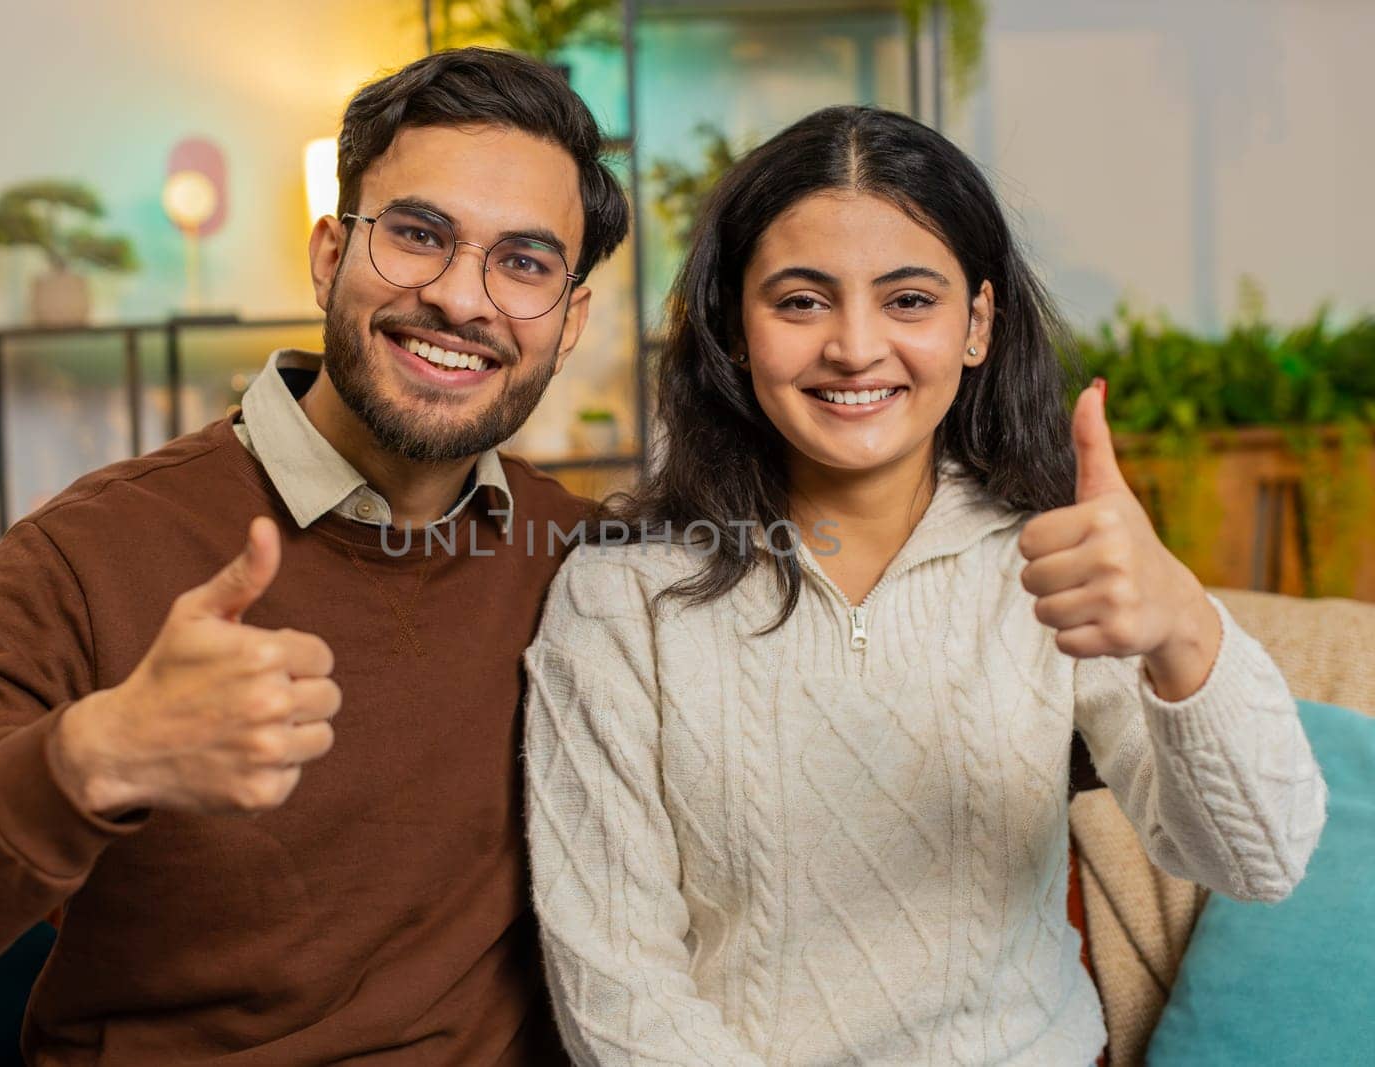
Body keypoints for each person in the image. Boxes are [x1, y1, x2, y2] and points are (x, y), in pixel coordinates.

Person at [0, 47, 626, 1064]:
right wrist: (91, 756)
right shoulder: (93, 551)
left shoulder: (589, 564)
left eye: (524, 261)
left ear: (569, 318)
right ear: (330, 254)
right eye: (418, 235)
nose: (463, 298)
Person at [522, 105, 1327, 1065]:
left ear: (978, 323)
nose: (856, 347)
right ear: (735, 327)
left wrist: (1185, 629)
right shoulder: (619, 596)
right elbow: (619, 986)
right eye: (801, 301)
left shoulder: (1052, 563)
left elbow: (1262, 859)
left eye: (909, 300)